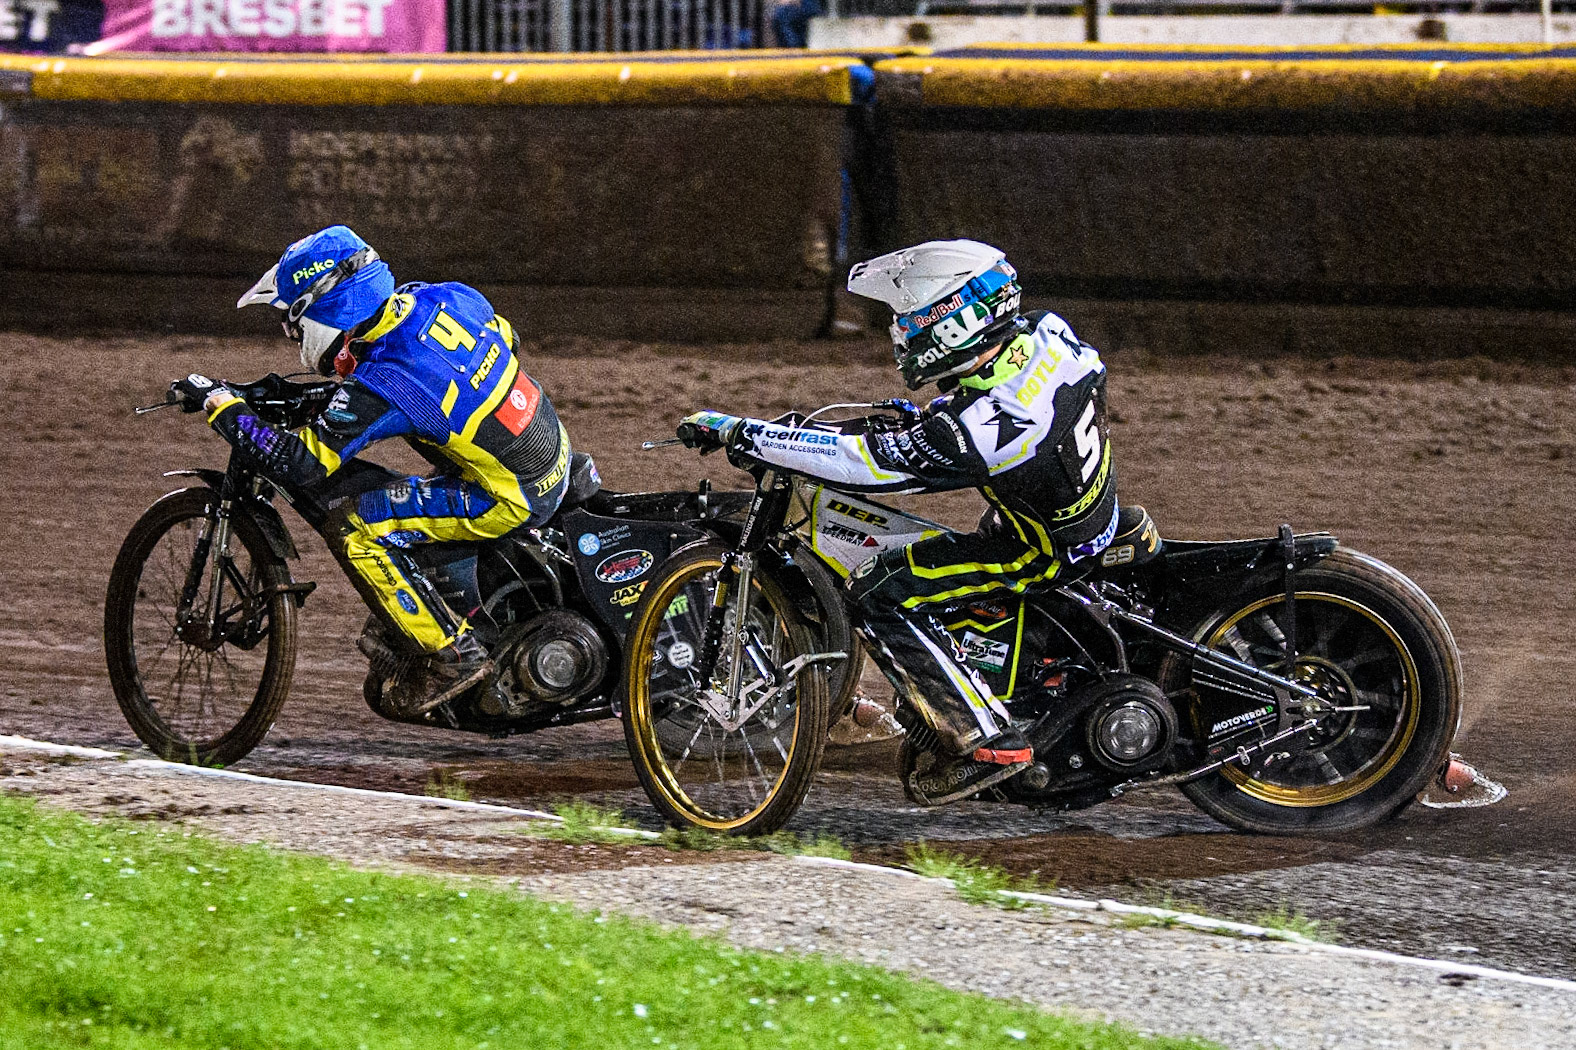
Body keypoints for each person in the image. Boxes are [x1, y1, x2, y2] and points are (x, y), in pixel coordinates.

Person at [677, 239, 1119, 805]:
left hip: (1040, 550)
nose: (902, 334)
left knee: (880, 588)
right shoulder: (1044, 333)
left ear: (957, 321)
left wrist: (745, 433)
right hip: (1082, 514)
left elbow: (868, 465)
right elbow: (983, 408)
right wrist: (931, 418)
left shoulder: (989, 424)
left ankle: (981, 740)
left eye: (911, 319)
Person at [168, 225, 572, 715]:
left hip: (512, 496)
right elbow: (507, 336)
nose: (290, 333)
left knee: (358, 527)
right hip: (553, 455)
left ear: (321, 310)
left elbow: (300, 464)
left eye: (292, 320)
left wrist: (223, 408)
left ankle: (451, 656)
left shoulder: (382, 383)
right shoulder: (442, 297)